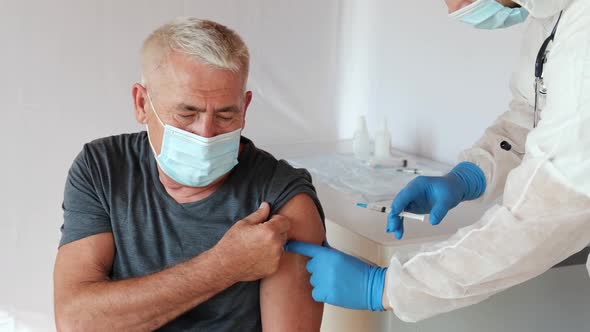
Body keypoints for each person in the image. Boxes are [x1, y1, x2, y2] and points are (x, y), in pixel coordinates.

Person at [286, 0, 590, 322]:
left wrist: (386, 287)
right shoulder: (553, 15)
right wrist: (470, 175)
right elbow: (529, 117)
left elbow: (540, 218)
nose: (452, 8)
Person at [53, 18, 325, 331]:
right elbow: (76, 322)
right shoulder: (102, 169)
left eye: (226, 115)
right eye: (187, 113)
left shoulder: (282, 199)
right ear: (142, 104)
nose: (206, 133)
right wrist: (224, 266)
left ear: (245, 107)